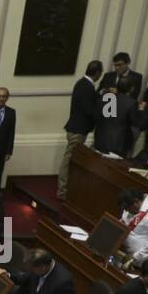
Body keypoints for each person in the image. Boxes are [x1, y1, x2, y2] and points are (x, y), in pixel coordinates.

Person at [58, 61, 103, 199]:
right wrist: (102, 108)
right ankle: (62, 191)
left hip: (75, 128)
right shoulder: (87, 87)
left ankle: (64, 189)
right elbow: (89, 110)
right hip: (78, 130)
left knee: (70, 158)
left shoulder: (82, 83)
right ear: (97, 73)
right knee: (69, 159)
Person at [96, 79, 140, 157]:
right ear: (132, 88)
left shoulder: (106, 98)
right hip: (119, 145)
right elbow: (134, 122)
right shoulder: (132, 103)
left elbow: (96, 116)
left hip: (100, 140)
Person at [118, 190, 148, 265]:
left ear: (136, 202)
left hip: (146, 262)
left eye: (127, 208)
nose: (126, 211)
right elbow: (124, 222)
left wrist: (136, 257)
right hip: (128, 255)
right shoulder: (131, 206)